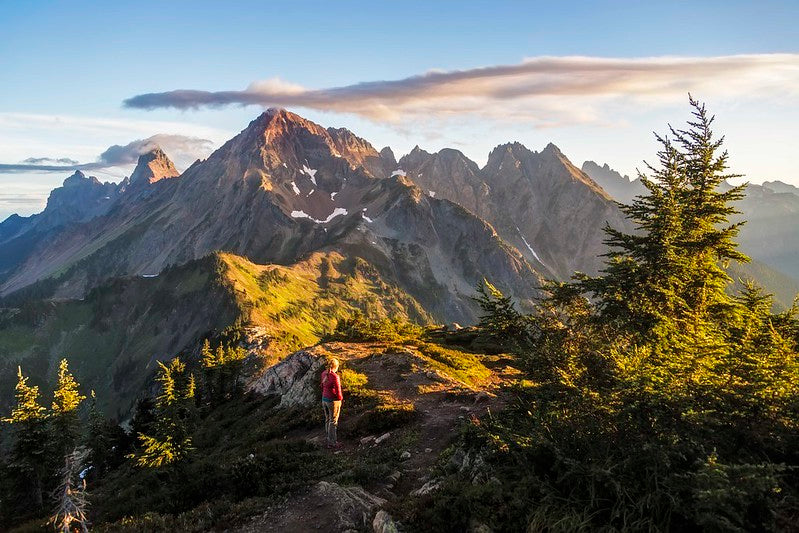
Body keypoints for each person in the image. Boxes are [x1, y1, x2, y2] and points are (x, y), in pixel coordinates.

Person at [320, 357, 343, 449]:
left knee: (327, 419)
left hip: (324, 399)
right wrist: (340, 399)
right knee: (333, 421)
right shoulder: (335, 376)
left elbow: (322, 385)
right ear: (336, 366)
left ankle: (328, 438)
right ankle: (332, 442)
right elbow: (338, 391)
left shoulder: (323, 373)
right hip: (332, 401)